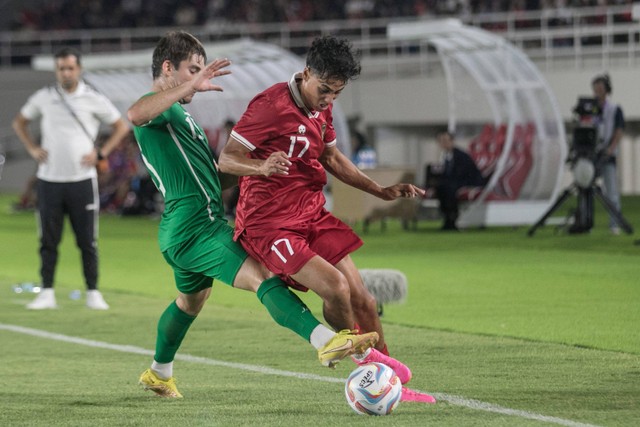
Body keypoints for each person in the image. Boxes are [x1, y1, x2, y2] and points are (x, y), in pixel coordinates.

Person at [127, 31, 378, 399]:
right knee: (261, 276)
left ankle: (159, 373)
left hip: (190, 226)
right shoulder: (157, 108)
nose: (201, 77)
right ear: (168, 68)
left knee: (190, 302)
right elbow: (135, 113)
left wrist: (260, 169)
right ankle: (326, 340)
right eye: (193, 70)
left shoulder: (178, 114)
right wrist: (188, 87)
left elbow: (214, 175)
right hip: (194, 227)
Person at [218, 35, 434, 403]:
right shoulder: (269, 106)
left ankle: (394, 385)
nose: (329, 99)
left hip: (310, 212)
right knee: (336, 287)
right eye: (324, 90)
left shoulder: (322, 107)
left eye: (336, 93)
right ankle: (369, 369)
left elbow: (332, 160)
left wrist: (379, 190)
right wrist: (261, 166)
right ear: (305, 74)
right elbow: (226, 159)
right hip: (269, 223)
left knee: (364, 300)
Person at [12, 47, 130, 310]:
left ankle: (93, 292)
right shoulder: (44, 97)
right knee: (48, 240)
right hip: (49, 180)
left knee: (87, 240)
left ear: (79, 69)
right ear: (56, 70)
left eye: (70, 67)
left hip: (82, 181)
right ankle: (47, 292)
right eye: (61, 68)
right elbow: (19, 122)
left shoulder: (92, 97)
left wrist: (100, 152)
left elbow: (121, 126)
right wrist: (32, 149)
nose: (66, 72)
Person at [430, 129, 484, 231]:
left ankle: (452, 218)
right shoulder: (445, 156)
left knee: (449, 188)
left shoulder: (461, 156)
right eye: (441, 141)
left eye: (446, 140)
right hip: (454, 182)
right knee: (441, 188)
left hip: (468, 181)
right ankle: (447, 217)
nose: (443, 143)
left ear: (452, 141)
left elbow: (463, 174)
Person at [592, 74, 625, 235]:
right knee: (588, 190)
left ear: (606, 90)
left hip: (608, 154)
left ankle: (614, 224)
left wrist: (611, 148)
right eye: (595, 89)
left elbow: (619, 130)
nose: (597, 92)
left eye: (600, 88)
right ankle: (586, 223)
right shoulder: (591, 109)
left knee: (611, 191)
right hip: (593, 154)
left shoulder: (614, 109)